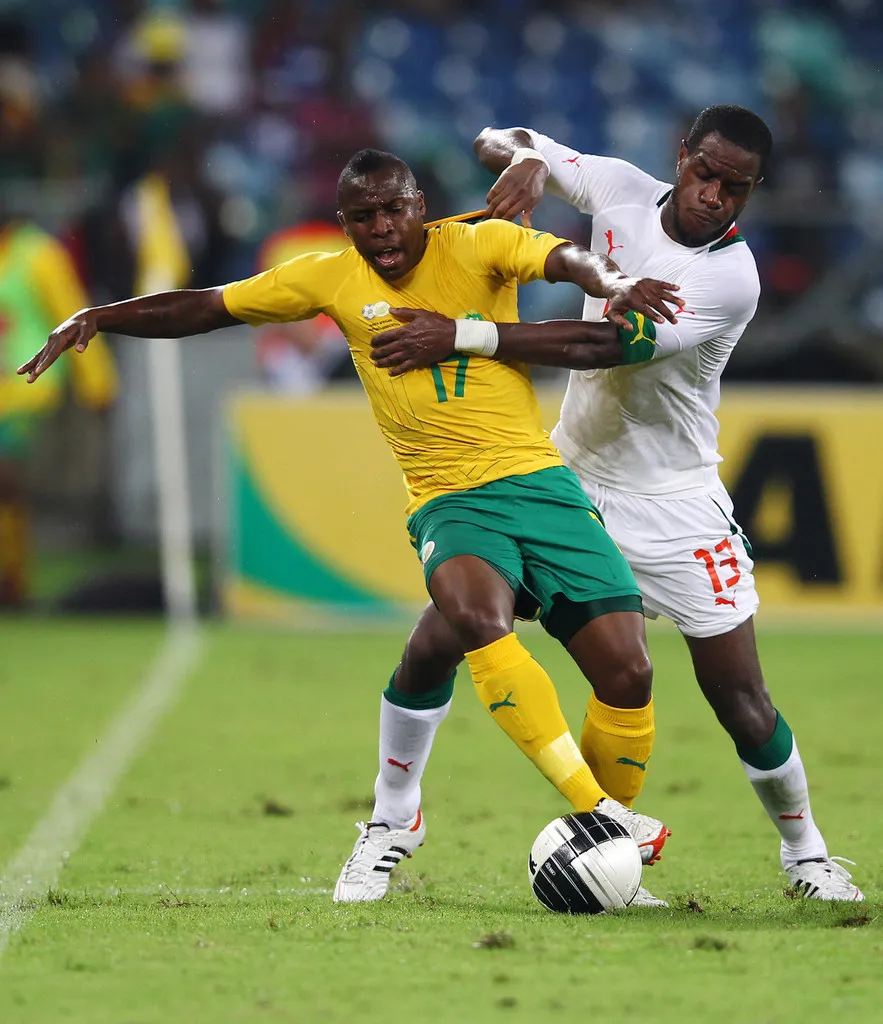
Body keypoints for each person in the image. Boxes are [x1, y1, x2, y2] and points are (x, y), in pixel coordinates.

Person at [19, 148, 682, 903]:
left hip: (538, 485)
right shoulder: (330, 277)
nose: (380, 230)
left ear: (417, 204)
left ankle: (516, 835)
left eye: (391, 210)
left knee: (619, 671)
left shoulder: (480, 243)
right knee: (472, 617)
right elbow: (205, 305)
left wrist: (617, 281)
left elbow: (565, 261)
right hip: (448, 499)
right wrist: (97, 317)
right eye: (361, 217)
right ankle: (596, 819)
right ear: (345, 224)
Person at [365, 106, 863, 903]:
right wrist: (522, 159)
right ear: (681, 158)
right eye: (704, 174)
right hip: (565, 479)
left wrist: (460, 334)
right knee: (440, 638)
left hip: (675, 503)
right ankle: (391, 821)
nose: (713, 195)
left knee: (738, 697)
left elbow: (603, 345)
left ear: (752, 190)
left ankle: (804, 855)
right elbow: (497, 135)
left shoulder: (729, 279)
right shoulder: (623, 194)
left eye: (735, 187)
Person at [0, 213, 117, 607]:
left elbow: (72, 315)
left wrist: (98, 383)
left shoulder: (38, 255)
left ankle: (13, 584)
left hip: (28, 394)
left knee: (7, 481)